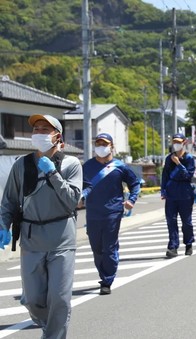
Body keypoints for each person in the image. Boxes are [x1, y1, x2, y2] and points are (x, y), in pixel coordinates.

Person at [0, 114, 82, 338]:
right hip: (32, 239)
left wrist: (53, 173)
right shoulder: (22, 164)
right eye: (36, 129)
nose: (39, 133)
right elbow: (9, 201)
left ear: (57, 136)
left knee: (60, 298)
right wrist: (3, 225)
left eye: (45, 129)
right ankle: (51, 326)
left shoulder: (71, 164)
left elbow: (72, 200)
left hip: (62, 241)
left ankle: (54, 334)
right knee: (34, 300)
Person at [81, 133, 141, 295]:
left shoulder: (120, 166)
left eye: (104, 143)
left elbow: (135, 184)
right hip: (93, 213)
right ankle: (104, 274)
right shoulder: (87, 166)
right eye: (98, 143)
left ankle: (107, 279)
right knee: (96, 248)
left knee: (109, 246)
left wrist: (132, 200)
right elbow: (79, 186)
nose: (101, 146)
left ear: (112, 147)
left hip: (113, 212)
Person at [161, 133, 196, 257]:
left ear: (184, 142)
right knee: (171, 221)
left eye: (178, 142)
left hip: (185, 193)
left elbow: (188, 175)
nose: (176, 144)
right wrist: (163, 190)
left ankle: (189, 243)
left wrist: (178, 164)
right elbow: (164, 175)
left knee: (186, 222)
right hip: (171, 193)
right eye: (174, 141)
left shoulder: (189, 158)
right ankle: (173, 247)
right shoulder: (168, 158)